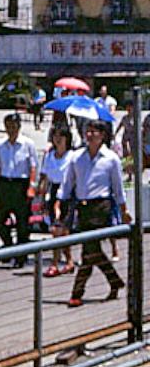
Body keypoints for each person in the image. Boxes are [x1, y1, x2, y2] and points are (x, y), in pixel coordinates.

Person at [59, 119, 129, 307]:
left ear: (102, 135)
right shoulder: (76, 156)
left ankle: (76, 293)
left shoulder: (111, 158)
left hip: (101, 207)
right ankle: (114, 281)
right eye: (87, 131)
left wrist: (124, 210)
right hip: (83, 207)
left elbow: (118, 187)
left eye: (93, 132)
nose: (89, 135)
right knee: (92, 250)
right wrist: (61, 203)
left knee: (88, 252)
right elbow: (68, 183)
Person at [0, 113, 39, 267]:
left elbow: (33, 166)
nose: (10, 129)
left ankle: (21, 256)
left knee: (22, 224)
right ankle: (9, 245)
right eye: (8, 126)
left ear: (19, 126)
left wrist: (32, 186)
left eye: (13, 126)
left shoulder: (27, 144)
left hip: (21, 184)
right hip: (6, 184)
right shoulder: (1, 145)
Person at [40, 126, 75, 277]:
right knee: (56, 230)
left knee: (61, 229)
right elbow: (45, 178)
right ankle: (68, 261)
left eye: (61, 135)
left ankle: (56, 262)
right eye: (55, 135)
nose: (58, 139)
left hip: (68, 192)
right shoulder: (49, 156)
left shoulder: (73, 156)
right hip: (53, 192)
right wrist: (42, 198)